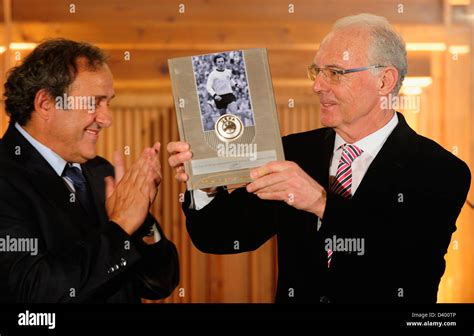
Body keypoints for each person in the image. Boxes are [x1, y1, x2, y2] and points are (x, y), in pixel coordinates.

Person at [167, 13, 471, 303]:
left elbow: (400, 268)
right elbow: (220, 236)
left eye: (335, 73)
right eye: (317, 71)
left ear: (384, 82)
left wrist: (320, 202)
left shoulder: (441, 170)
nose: (317, 86)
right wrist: (205, 181)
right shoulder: (294, 153)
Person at [0, 38, 179, 303]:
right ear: (46, 103)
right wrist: (120, 226)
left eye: (108, 103)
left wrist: (142, 223)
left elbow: (159, 283)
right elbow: (34, 292)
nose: (107, 119)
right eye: (94, 103)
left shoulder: (100, 172)